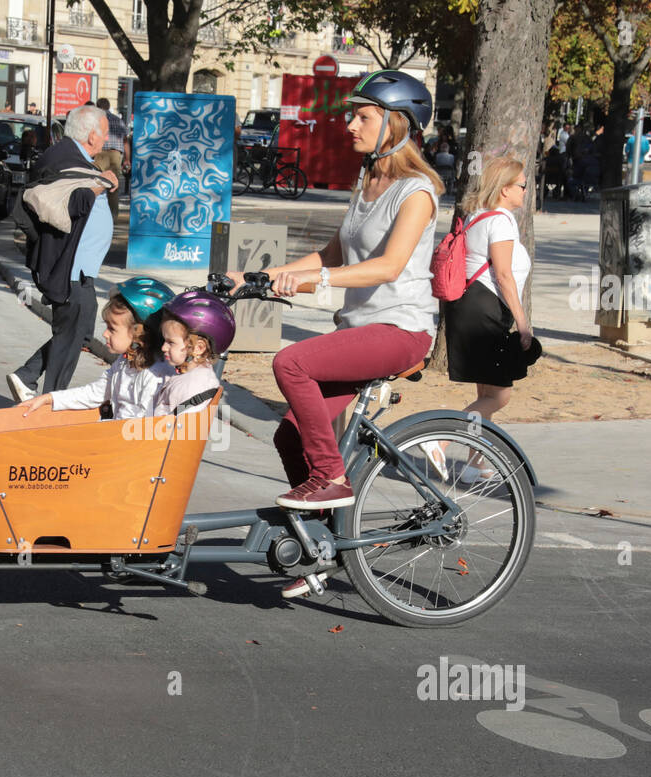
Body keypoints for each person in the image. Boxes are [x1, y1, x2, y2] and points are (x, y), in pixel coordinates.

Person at [227, 70, 442, 598]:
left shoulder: (417, 193)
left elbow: (389, 267)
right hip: (362, 328)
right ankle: (320, 545)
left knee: (291, 362)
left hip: (400, 329)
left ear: (397, 124)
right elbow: (334, 254)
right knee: (289, 432)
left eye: (363, 116)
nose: (350, 124)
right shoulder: (368, 184)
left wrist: (316, 281)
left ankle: (331, 477)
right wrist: (263, 278)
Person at [434, 155, 535, 485]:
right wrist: (523, 324)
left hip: (469, 307)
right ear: (505, 189)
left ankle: (476, 465)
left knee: (486, 390)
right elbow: (504, 275)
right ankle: (441, 440)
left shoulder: (477, 216)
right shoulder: (501, 221)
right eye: (522, 185)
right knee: (499, 395)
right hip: (486, 309)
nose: (526, 190)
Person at [7, 105, 117, 400]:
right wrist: (102, 182)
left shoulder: (69, 157)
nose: (106, 140)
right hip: (72, 267)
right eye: (104, 133)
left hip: (81, 268)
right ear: (92, 134)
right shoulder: (66, 161)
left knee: (78, 332)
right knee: (71, 334)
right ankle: (49, 402)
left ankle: (26, 376)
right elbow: (72, 204)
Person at [22, 278, 175, 419]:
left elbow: (144, 426)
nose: (105, 333)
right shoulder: (124, 362)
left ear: (139, 336)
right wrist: (49, 398)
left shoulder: (155, 375)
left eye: (112, 329)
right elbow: (95, 392)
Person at [153, 291, 233, 417]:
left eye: (171, 342)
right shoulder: (189, 374)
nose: (163, 347)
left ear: (198, 348)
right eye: (164, 341)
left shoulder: (193, 386)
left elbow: (180, 430)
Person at [93, 97, 128, 221]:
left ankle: (96, 215)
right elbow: (125, 141)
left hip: (99, 153)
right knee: (113, 187)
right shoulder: (118, 121)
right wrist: (127, 159)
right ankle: (113, 217)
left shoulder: (96, 120)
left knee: (97, 183)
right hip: (115, 155)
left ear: (98, 107)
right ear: (108, 106)